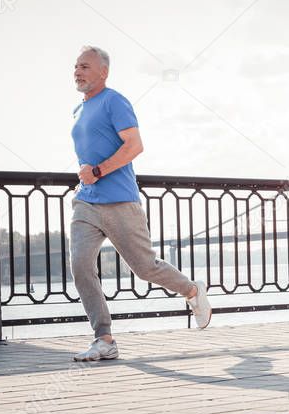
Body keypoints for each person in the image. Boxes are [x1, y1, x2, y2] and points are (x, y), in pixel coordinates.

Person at [69, 45, 211, 361]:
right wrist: (87, 177)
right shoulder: (78, 110)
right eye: (76, 66)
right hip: (86, 201)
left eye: (86, 66)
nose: (78, 71)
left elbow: (135, 146)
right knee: (80, 265)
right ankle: (103, 338)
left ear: (103, 72)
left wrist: (97, 171)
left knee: (145, 268)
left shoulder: (115, 101)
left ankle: (191, 291)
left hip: (119, 201)